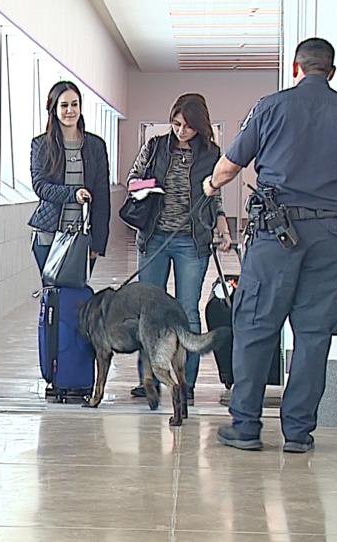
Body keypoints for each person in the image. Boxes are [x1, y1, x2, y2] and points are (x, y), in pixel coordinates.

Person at [204, 38, 337, 453]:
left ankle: (247, 427)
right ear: (332, 71)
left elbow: (230, 165)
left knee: (254, 326)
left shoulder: (269, 107)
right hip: (328, 238)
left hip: (275, 236)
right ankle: (298, 433)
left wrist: (210, 184)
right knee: (313, 334)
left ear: (295, 68)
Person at [125, 93, 232, 405]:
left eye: (187, 126)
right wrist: (147, 188)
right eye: (175, 124)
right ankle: (150, 380)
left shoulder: (211, 154)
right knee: (149, 312)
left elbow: (216, 195)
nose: (181, 131)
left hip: (192, 240)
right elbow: (133, 179)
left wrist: (222, 225)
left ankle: (186, 383)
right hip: (154, 236)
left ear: (200, 126)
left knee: (187, 311)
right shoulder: (156, 146)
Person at [29, 81, 110, 279]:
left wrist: (99, 242)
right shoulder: (41, 145)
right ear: (54, 109)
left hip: (82, 237)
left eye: (75, 104)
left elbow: (102, 197)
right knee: (53, 295)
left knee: (76, 296)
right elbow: (41, 186)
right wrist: (73, 194)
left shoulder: (95, 145)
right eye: (64, 105)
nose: (70, 110)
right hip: (49, 235)